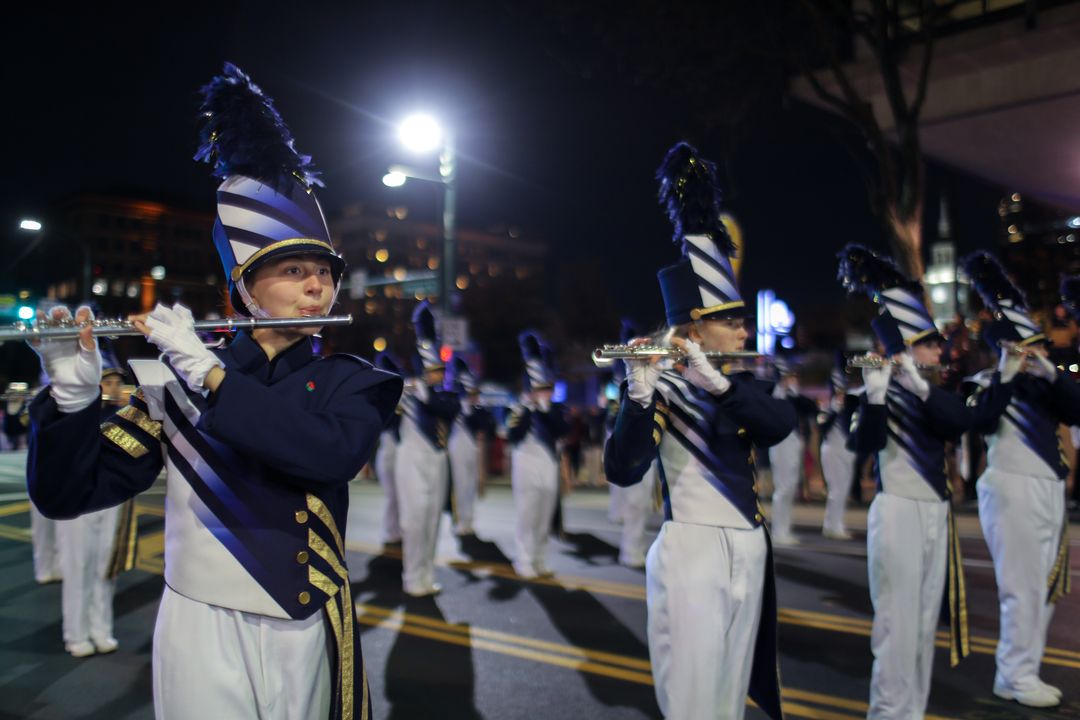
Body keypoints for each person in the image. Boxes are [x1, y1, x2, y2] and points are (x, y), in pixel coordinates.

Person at [26, 63, 401, 719]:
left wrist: (210, 374)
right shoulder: (173, 381)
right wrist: (70, 398)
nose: (318, 286)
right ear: (246, 291)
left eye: (324, 272)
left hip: (302, 621)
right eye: (293, 270)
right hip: (198, 623)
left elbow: (326, 455)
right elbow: (68, 494)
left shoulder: (354, 380)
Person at [605, 143, 792, 719]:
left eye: (741, 320)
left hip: (749, 546)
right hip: (691, 547)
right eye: (730, 321)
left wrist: (718, 385)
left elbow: (778, 427)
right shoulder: (661, 386)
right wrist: (637, 395)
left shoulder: (745, 385)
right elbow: (623, 468)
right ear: (695, 328)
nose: (743, 331)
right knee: (692, 696)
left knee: (731, 692)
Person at [840, 243, 974, 719]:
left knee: (921, 624)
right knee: (896, 625)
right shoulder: (870, 393)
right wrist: (874, 396)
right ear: (903, 348)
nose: (941, 350)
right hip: (897, 511)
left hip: (935, 513)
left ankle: (911, 711)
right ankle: (888, 712)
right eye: (931, 343)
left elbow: (956, 422)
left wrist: (919, 384)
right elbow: (861, 447)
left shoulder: (934, 393)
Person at [962, 252, 1079, 708]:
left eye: (1041, 346)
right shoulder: (985, 382)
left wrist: (1051, 373)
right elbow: (983, 421)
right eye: (1030, 346)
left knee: (1045, 588)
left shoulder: (1049, 385)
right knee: (1022, 588)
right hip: (1012, 489)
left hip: (1048, 490)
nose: (1040, 353)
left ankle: (1023, 671)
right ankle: (1013, 673)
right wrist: (1009, 372)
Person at [54, 350, 127, 657]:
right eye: (106, 381)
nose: (112, 387)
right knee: (78, 566)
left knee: (104, 567)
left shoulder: (123, 414)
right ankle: (76, 634)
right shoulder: (73, 412)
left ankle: (101, 629)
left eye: (115, 381)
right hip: (77, 497)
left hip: (109, 497)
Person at [395, 300, 460, 596]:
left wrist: (423, 395)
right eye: (432, 369)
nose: (438, 374)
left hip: (437, 459)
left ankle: (427, 574)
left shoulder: (445, 396)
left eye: (440, 369)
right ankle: (412, 577)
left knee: (433, 520)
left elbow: (446, 410)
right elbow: (383, 420)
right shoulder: (406, 393)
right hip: (411, 460)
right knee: (415, 520)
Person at [507, 331, 568, 579]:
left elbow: (561, 430)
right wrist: (526, 408)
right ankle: (524, 560)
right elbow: (512, 434)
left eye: (548, 388)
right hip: (525, 465)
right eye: (541, 388)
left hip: (548, 466)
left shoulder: (555, 409)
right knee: (527, 515)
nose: (546, 392)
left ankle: (540, 559)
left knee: (544, 516)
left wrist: (544, 411)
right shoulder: (519, 407)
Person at [766, 355, 817, 546]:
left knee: (790, 488)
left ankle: (785, 529)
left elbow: (810, 408)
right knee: (783, 488)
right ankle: (779, 531)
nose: (792, 379)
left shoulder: (793, 397)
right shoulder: (774, 393)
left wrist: (794, 393)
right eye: (788, 375)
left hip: (794, 441)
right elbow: (770, 407)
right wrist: (782, 389)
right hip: (781, 443)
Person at [445, 355, 494, 537]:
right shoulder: (455, 407)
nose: (474, 397)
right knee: (459, 486)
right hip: (457, 447)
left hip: (472, 449)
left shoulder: (476, 410)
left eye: (474, 393)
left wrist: (469, 409)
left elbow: (486, 426)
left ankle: (469, 520)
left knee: (471, 486)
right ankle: (459, 521)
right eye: (470, 393)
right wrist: (462, 406)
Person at [819, 355, 860, 540]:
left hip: (846, 451)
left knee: (843, 490)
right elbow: (822, 427)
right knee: (836, 490)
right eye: (838, 390)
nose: (842, 394)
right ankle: (831, 525)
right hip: (832, 450)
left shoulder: (849, 407)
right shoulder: (828, 407)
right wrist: (834, 409)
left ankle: (837, 524)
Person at [373, 352, 405, 548]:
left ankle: (396, 530)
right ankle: (390, 531)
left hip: (396, 451)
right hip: (388, 451)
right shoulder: (380, 398)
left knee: (399, 494)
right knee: (393, 495)